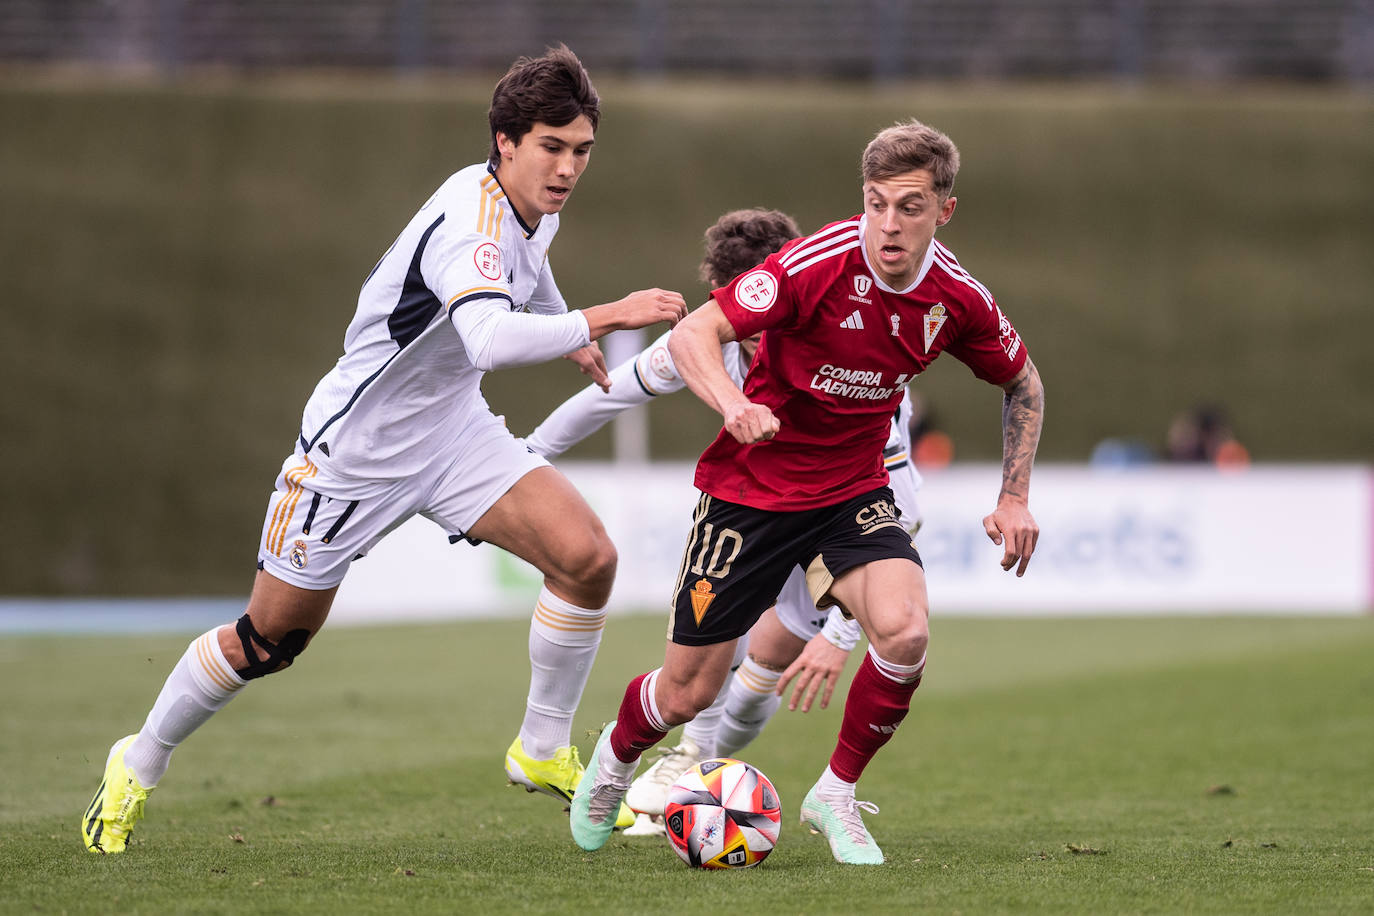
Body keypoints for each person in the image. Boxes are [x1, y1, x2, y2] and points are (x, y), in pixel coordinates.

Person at [81, 45, 687, 854]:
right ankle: (138, 760)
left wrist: (569, 320)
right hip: (354, 455)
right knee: (270, 642)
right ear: (505, 141)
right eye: (552, 146)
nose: (569, 167)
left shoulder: (532, 201)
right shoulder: (468, 223)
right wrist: (606, 317)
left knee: (588, 558)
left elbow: (528, 268)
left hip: (452, 430)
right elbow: (489, 338)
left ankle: (540, 749)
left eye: (581, 150)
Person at [568, 119, 1045, 865]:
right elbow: (696, 333)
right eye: (877, 203)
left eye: (910, 207)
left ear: (944, 210)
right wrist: (733, 404)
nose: (888, 224)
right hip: (750, 490)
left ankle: (836, 794)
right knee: (690, 689)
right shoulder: (811, 265)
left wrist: (1014, 495)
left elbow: (1023, 381)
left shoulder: (956, 297)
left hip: (851, 493)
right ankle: (616, 758)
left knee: (907, 631)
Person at [524, 209, 924, 832]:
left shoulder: (855, 356)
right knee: (698, 681)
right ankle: (655, 760)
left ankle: (702, 762)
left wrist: (840, 638)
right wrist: (522, 459)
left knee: (762, 675)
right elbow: (604, 398)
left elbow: (910, 502)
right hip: (750, 505)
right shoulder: (704, 342)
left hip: (840, 512)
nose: (769, 336)